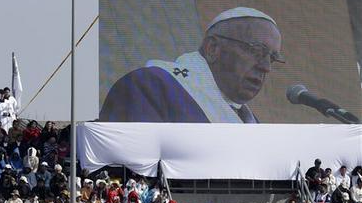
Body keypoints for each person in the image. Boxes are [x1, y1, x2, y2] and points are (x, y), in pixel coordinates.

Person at [100, 7, 283, 123]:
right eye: (256, 51)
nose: (266, 67)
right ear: (213, 48)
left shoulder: (250, 122)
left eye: (272, 58)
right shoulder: (151, 86)